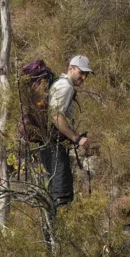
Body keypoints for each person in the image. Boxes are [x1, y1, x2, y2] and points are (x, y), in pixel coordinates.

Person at [44, 53, 92, 208]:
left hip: (49, 144)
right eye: (81, 72)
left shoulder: (60, 83)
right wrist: (77, 139)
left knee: (55, 191)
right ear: (71, 68)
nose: (84, 77)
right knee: (62, 195)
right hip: (53, 145)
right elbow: (55, 116)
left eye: (86, 74)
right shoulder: (65, 87)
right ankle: (57, 231)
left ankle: (51, 230)